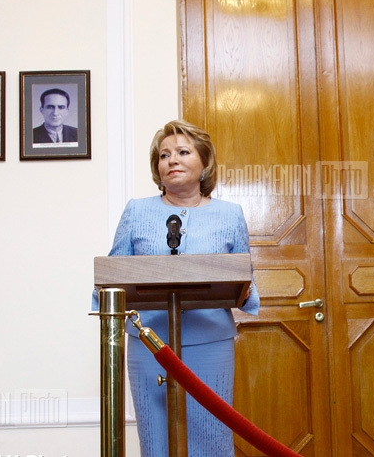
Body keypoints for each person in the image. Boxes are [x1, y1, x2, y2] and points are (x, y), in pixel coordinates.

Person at [96, 119, 259, 457]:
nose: (172, 160)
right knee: (156, 439)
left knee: (212, 437)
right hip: (149, 342)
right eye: (164, 155)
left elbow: (245, 278)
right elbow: (112, 276)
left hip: (210, 341)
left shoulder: (230, 215)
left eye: (183, 152)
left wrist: (241, 290)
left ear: (204, 163)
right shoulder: (136, 211)